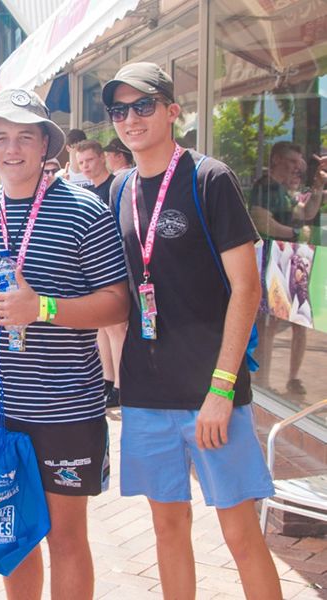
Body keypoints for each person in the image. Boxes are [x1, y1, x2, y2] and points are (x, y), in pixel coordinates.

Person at [102, 61, 282, 599]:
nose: (130, 118)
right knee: (167, 529)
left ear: (172, 111)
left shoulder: (210, 178)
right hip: (147, 394)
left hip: (212, 393)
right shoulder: (119, 190)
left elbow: (247, 290)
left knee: (239, 533)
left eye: (143, 105)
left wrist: (222, 390)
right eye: (119, 110)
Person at [0, 89, 129, 600]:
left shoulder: (84, 210)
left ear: (44, 146)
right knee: (12, 534)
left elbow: (118, 303)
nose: (12, 149)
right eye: (1, 138)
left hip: (66, 410)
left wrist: (45, 308)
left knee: (66, 537)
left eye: (24, 137)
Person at [249, 142, 325, 396]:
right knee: (268, 324)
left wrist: (318, 186)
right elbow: (262, 221)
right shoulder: (264, 186)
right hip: (273, 260)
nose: (297, 167)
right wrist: (294, 232)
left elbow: (306, 213)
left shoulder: (285, 190)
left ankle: (292, 378)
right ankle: (262, 381)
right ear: (277, 160)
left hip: (293, 260)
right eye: (292, 161)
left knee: (299, 322)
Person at [75, 139, 125, 407]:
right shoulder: (86, 190)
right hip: (90, 272)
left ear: (102, 158)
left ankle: (121, 385)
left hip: (114, 267)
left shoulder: (116, 187)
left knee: (116, 329)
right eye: (81, 163)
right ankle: (107, 379)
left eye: (90, 161)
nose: (85, 167)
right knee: (101, 330)